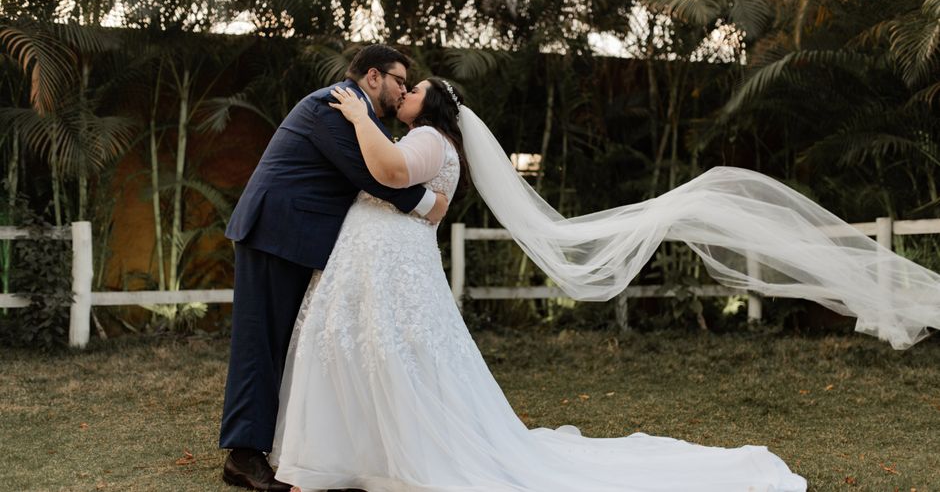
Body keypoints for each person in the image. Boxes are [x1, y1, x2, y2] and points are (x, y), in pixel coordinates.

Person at [271, 77, 930, 490]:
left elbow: (388, 172)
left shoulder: (424, 140)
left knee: (391, 356)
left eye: (412, 88)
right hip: (387, 262)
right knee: (389, 357)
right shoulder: (436, 144)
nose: (404, 90)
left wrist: (358, 120)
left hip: (392, 264)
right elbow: (415, 194)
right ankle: (357, 452)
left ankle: (366, 455)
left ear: (430, 107)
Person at [218, 45, 449, 491]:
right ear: (374, 77)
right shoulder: (334, 105)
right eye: (400, 80)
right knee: (261, 342)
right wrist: (428, 204)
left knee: (283, 345)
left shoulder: (359, 114)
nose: (403, 91)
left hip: (295, 239)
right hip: (274, 233)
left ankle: (271, 447)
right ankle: (243, 457)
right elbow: (370, 175)